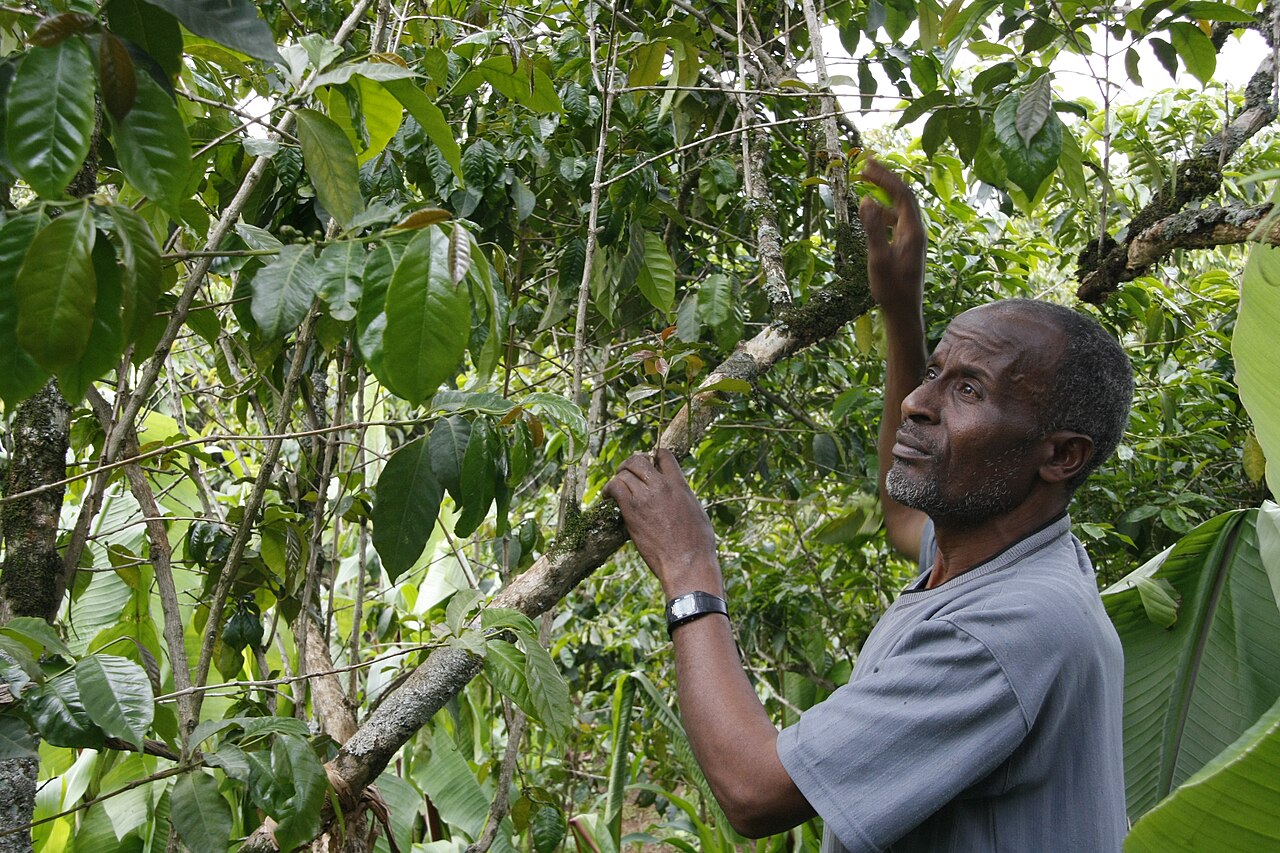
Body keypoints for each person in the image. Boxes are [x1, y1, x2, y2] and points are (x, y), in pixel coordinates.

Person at [603, 161, 1134, 852]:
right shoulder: (1008, 555)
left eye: (968, 391)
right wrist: (899, 308)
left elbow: (753, 789)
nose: (919, 399)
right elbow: (905, 518)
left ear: (1061, 454)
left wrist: (688, 567)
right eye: (937, 372)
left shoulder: (1010, 629)